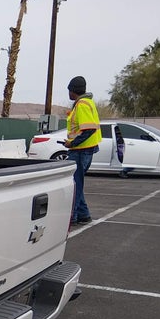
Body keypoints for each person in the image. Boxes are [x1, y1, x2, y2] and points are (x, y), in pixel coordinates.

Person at [65, 76, 101, 225]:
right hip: (83, 149)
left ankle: (72, 216)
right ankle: (83, 214)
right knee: (78, 181)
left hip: (81, 150)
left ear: (73, 91)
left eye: (69, 90)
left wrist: (72, 144)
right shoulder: (86, 103)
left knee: (76, 184)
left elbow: (89, 129)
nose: (68, 94)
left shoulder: (82, 104)